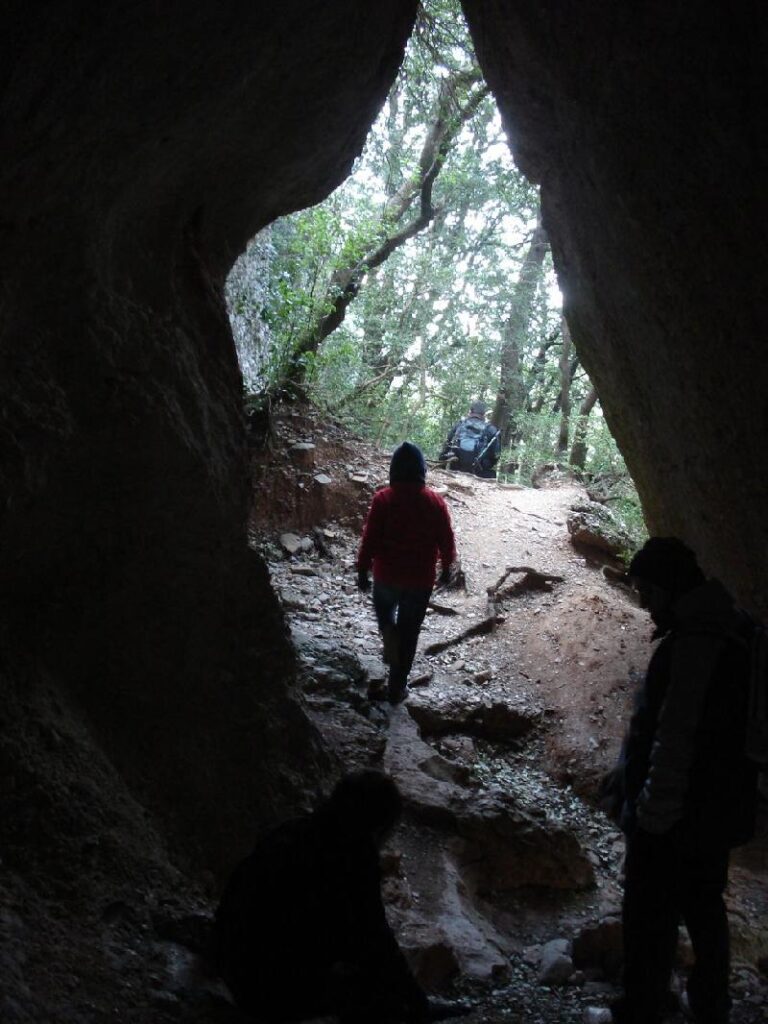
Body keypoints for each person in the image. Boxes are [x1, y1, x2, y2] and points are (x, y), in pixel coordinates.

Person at [599, 537, 758, 1024]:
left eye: (647, 591)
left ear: (669, 587)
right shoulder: (738, 631)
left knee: (650, 912)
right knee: (705, 906)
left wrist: (651, 817)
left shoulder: (696, 643)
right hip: (718, 809)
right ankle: (710, 1005)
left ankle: (643, 1003)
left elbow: (676, 737)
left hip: (678, 813)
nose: (644, 604)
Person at [215, 771, 461, 1024]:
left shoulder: (288, 831)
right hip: (275, 990)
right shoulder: (353, 860)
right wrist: (418, 1004)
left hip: (238, 973)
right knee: (379, 997)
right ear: (378, 826)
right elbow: (376, 943)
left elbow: (235, 894)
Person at [357, 441, 456, 704]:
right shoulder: (435, 502)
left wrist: (362, 569)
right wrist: (447, 567)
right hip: (419, 580)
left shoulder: (383, 499)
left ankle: (389, 636)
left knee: (386, 618)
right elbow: (446, 539)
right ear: (422, 471)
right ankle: (397, 687)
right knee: (410, 633)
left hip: (386, 576)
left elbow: (370, 538)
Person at [438, 400, 500, 479]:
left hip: (456, 469)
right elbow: (496, 455)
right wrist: (485, 464)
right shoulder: (491, 429)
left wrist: (441, 467)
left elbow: (446, 447)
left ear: (470, 411)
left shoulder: (459, 425)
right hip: (480, 473)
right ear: (484, 414)